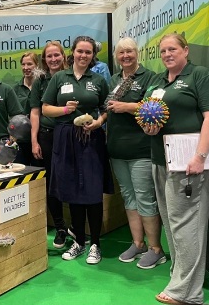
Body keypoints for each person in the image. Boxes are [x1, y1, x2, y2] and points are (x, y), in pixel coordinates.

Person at [142, 33, 209, 305]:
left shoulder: (199, 75)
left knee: (186, 224)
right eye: (163, 51)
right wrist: (148, 126)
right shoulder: (158, 82)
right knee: (173, 224)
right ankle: (179, 277)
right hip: (162, 160)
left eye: (172, 49)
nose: (167, 54)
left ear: (185, 50)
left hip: (190, 163)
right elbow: (148, 115)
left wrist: (200, 156)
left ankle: (187, 292)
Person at [42, 36, 111, 265]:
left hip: (92, 138)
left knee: (92, 190)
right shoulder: (59, 78)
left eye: (88, 52)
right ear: (73, 52)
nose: (83, 56)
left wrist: (99, 123)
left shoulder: (99, 80)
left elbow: (105, 109)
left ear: (93, 55)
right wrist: (64, 110)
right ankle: (79, 242)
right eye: (80, 51)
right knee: (72, 189)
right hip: (65, 138)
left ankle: (95, 245)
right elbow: (45, 109)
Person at [106, 37, 165, 269]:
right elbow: (107, 109)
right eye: (121, 53)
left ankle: (156, 249)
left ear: (137, 53)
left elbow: (155, 107)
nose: (125, 56)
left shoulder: (150, 77)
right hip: (117, 149)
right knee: (129, 197)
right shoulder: (113, 80)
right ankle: (138, 243)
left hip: (141, 149)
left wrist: (127, 107)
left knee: (145, 197)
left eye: (129, 51)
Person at [30, 41, 70, 248]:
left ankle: (76, 227)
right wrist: (34, 140)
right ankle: (60, 227)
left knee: (70, 179)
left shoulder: (73, 77)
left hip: (70, 136)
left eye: (57, 55)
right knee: (51, 183)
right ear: (44, 59)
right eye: (49, 56)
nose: (53, 59)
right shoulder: (40, 81)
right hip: (46, 137)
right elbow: (35, 112)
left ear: (63, 56)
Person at [13, 52, 40, 165]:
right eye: (23, 64)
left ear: (37, 65)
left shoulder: (43, 86)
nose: (26, 68)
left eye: (30, 64)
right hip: (21, 140)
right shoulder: (15, 89)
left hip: (40, 138)